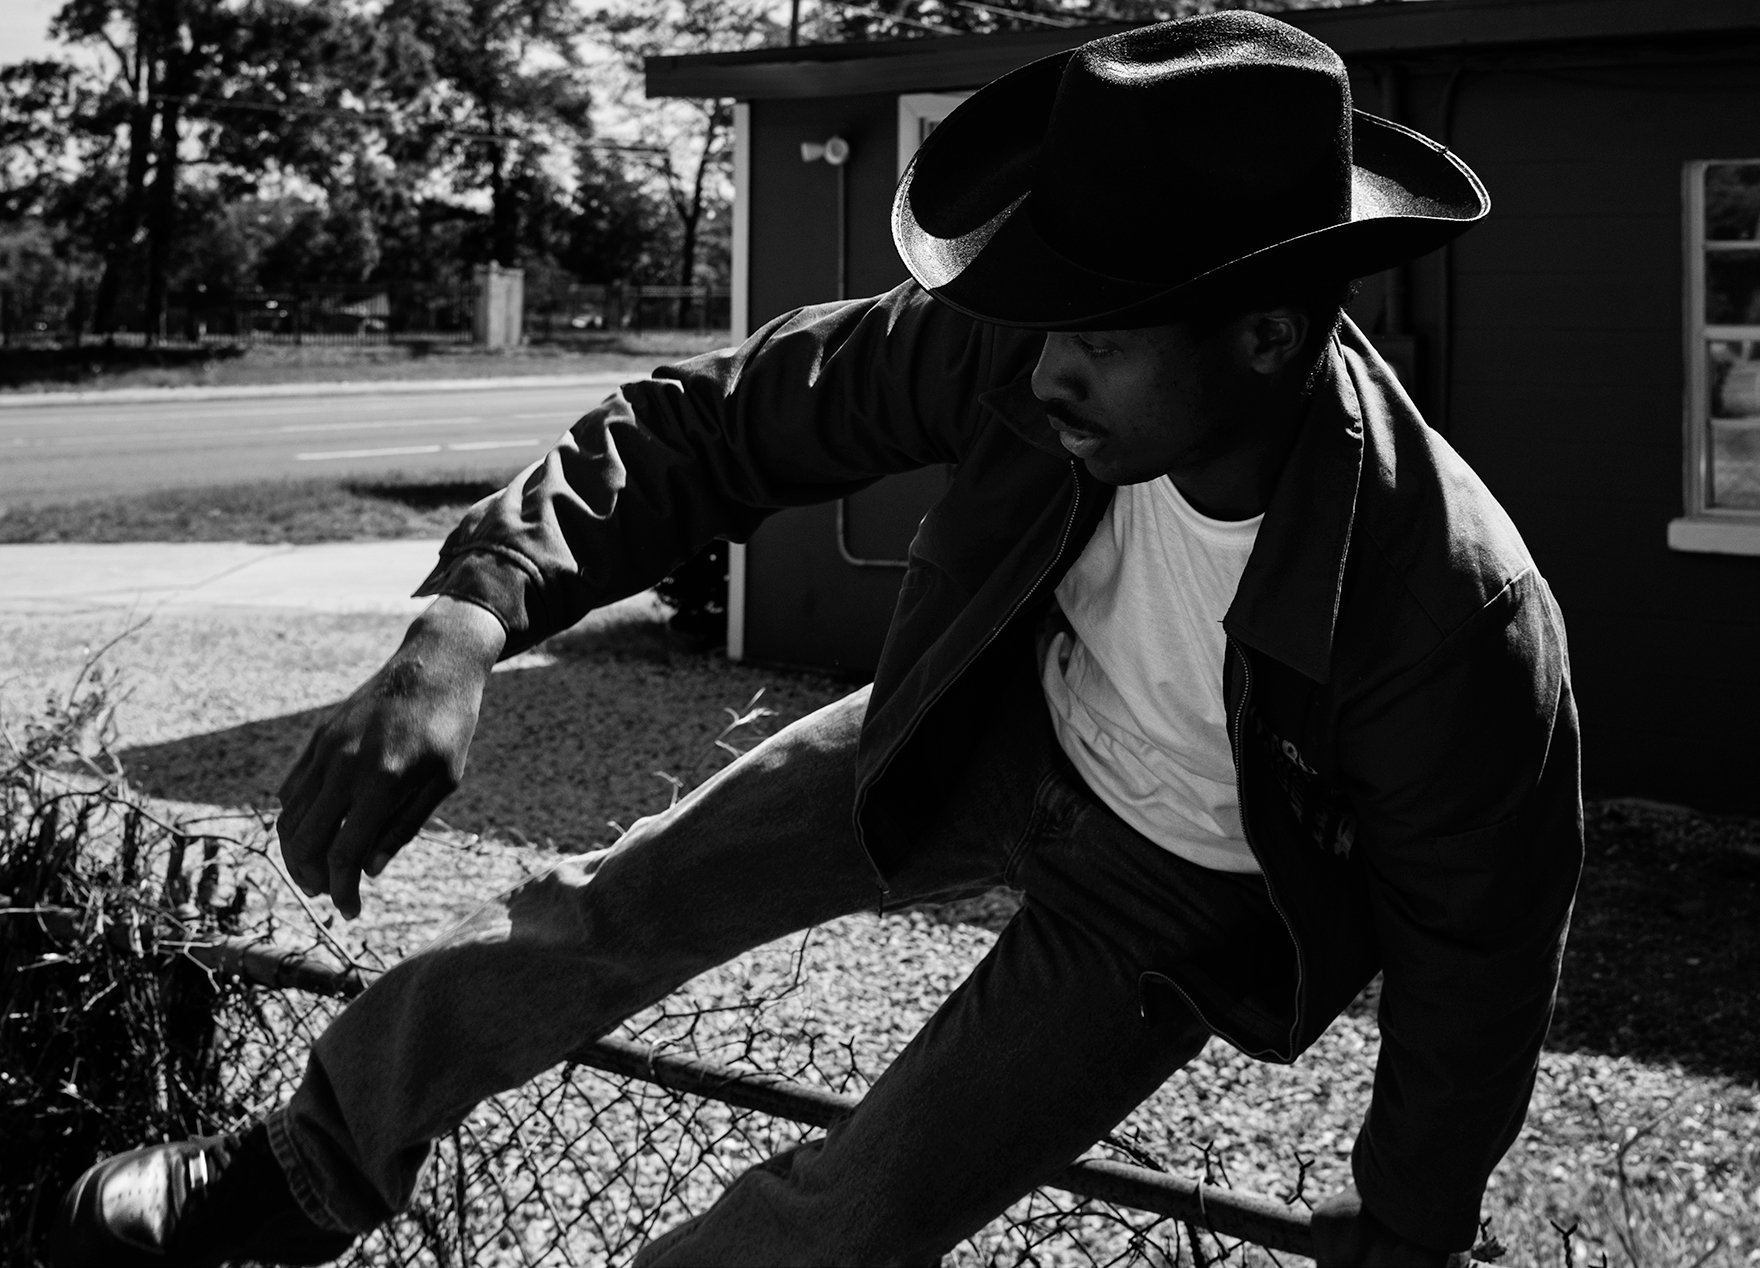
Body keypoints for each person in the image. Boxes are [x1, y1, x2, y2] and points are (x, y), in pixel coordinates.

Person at [55, 11, 1583, 1267]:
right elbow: (713, 423)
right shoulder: (1024, 353)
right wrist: (466, 616)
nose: (1047, 369)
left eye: (1103, 336)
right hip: (992, 723)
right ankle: (297, 1177)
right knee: (596, 911)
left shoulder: (1452, 616)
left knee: (851, 1218)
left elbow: (1481, 953)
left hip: (1177, 893)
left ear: (1266, 332)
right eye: (1050, 319)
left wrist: (1411, 1219)